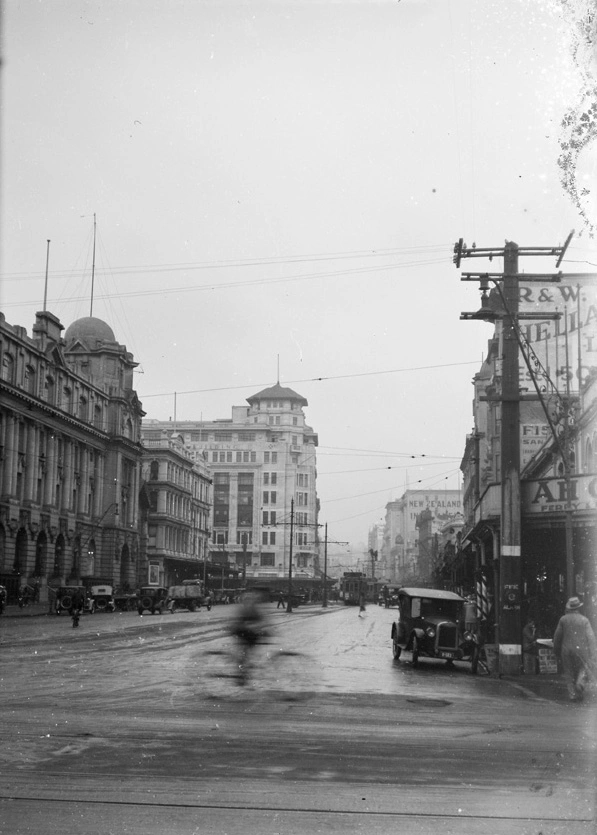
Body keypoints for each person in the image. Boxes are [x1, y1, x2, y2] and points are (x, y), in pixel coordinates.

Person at [553, 596, 597, 702]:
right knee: (582, 669)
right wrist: (593, 652)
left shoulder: (563, 619)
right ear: (578, 608)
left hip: (566, 650)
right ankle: (580, 684)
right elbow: (591, 637)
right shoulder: (584, 620)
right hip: (582, 650)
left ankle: (572, 694)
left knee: (569, 672)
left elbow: (557, 637)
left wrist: (556, 650)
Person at [230, 589, 269, 685]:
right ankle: (241, 676)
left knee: (247, 654)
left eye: (251, 600)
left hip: (250, 634)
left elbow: (263, 620)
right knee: (244, 654)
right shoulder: (243, 610)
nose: (249, 602)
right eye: (247, 600)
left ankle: (244, 672)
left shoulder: (255, 610)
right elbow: (237, 624)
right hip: (242, 634)